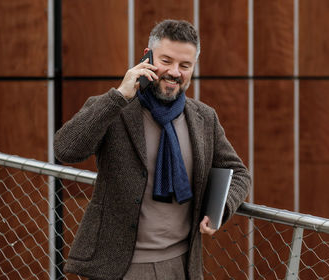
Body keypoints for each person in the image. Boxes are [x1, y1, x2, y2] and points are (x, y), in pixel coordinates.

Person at [54, 19, 251, 280]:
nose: (174, 72)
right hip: (118, 268)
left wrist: (220, 208)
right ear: (146, 58)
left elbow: (239, 173)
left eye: (185, 65)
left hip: (182, 265)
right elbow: (65, 149)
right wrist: (119, 96)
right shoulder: (116, 108)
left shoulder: (204, 118)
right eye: (166, 61)